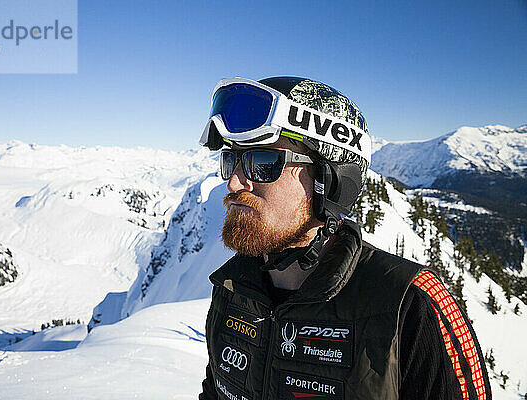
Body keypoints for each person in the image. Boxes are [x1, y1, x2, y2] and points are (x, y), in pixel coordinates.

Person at [197, 76, 492, 400]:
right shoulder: (232, 289)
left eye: (262, 162)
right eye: (231, 160)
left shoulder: (409, 304)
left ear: (330, 179)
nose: (234, 184)